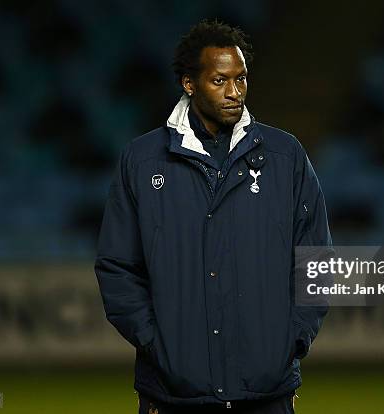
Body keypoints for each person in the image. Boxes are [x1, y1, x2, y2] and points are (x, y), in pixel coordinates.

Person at [95, 19, 332, 413]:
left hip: (266, 392)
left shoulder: (285, 156)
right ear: (190, 84)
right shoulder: (141, 160)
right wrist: (158, 344)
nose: (235, 92)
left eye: (241, 80)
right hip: (172, 393)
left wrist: (291, 340)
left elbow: (318, 262)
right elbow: (117, 265)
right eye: (220, 81)